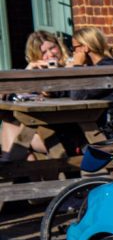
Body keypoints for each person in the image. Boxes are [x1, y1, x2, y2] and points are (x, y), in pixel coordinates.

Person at [1, 31, 72, 162]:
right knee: (10, 123)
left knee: (16, 132)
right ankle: (19, 167)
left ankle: (9, 171)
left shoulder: (72, 66)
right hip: (42, 130)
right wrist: (28, 72)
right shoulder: (35, 72)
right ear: (35, 56)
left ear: (59, 46)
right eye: (43, 52)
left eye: (52, 48)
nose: (50, 55)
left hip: (66, 134)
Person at [68, 26, 113, 122]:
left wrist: (77, 66)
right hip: (105, 119)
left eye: (74, 48)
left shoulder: (106, 69)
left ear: (85, 47)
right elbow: (81, 90)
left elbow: (77, 96)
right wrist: (54, 92)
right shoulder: (99, 67)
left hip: (112, 123)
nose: (73, 52)